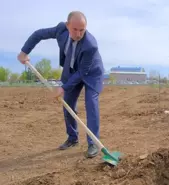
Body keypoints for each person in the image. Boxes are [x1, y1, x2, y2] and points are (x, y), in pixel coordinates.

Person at [17, 11, 105, 158]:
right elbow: (38, 34)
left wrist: (63, 87)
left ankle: (93, 144)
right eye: (75, 29)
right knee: (68, 104)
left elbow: (82, 73)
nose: (78, 34)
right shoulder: (60, 29)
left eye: (82, 30)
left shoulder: (90, 45)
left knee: (91, 104)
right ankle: (72, 138)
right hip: (71, 71)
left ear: (86, 27)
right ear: (67, 25)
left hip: (91, 74)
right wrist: (24, 52)